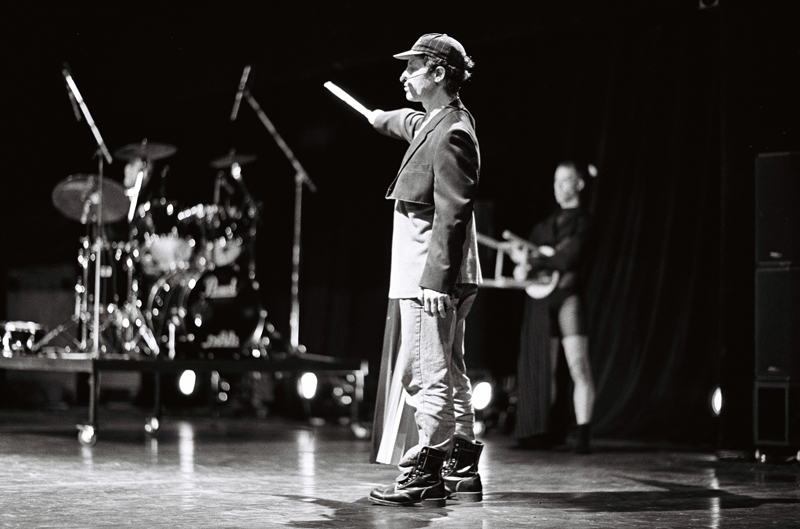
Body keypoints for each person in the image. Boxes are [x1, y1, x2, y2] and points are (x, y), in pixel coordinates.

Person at [367, 33, 484, 507]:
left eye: (413, 68)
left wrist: (436, 281)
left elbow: (453, 211)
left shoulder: (453, 131)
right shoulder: (438, 121)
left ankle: (426, 470)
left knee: (428, 372)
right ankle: (462, 465)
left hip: (429, 278)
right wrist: (380, 119)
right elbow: (409, 123)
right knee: (450, 370)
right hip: (434, 275)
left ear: (438, 74)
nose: (403, 75)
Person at [510, 161, 596, 454]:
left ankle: (582, 432)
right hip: (543, 299)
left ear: (579, 184)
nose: (559, 187)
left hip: (569, 296)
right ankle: (541, 430)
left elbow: (567, 257)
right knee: (543, 369)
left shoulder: (584, 221)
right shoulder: (543, 227)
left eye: (565, 180)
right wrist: (524, 267)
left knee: (577, 366)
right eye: (556, 181)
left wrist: (534, 260)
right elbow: (529, 264)